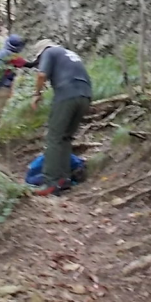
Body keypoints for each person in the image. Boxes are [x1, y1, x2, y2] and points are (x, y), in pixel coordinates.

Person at [28, 39, 93, 196]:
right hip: (85, 96)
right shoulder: (69, 53)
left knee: (54, 138)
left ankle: (50, 182)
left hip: (66, 95)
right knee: (65, 138)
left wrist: (37, 94)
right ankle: (64, 179)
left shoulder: (49, 52)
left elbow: (42, 75)